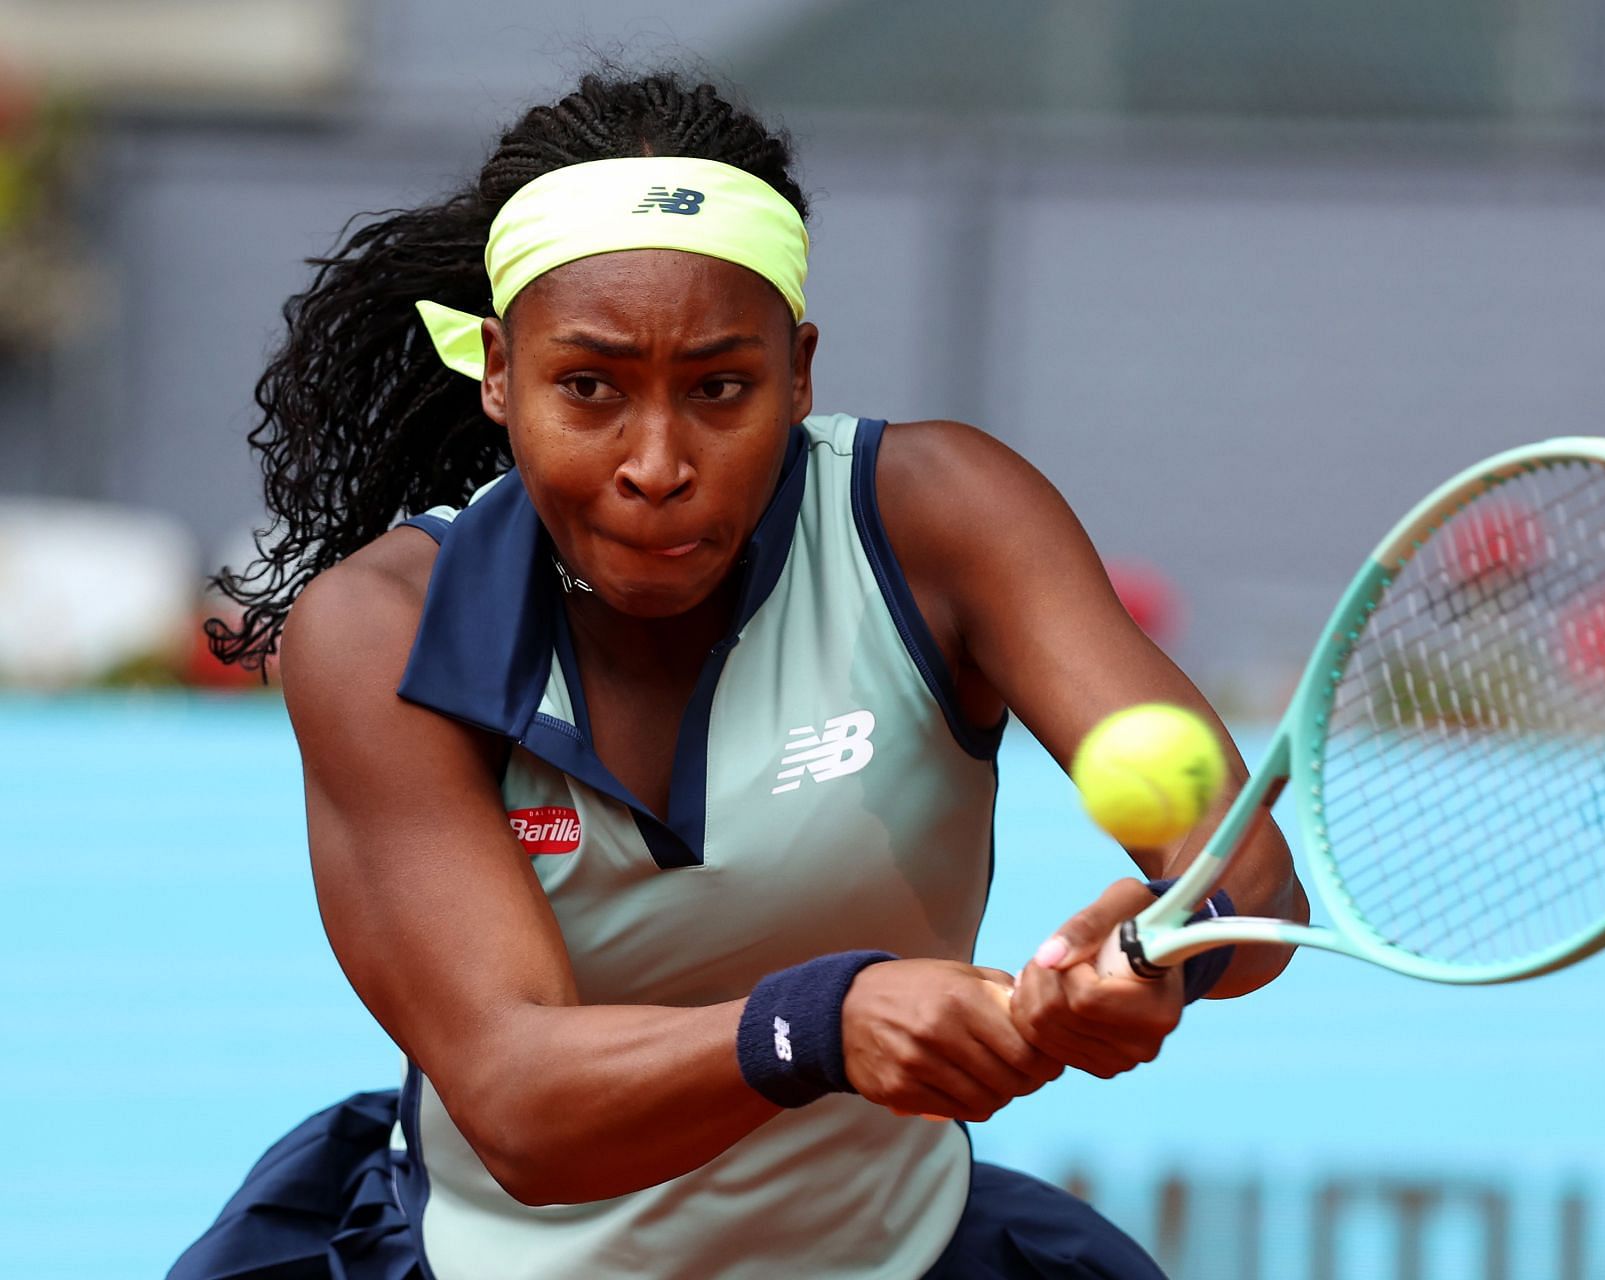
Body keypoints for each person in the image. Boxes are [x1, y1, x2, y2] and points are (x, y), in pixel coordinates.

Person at [174, 70, 1305, 1280]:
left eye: (721, 387)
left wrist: (1162, 960)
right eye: (589, 387)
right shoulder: (382, 628)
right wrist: (824, 1021)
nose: (657, 463)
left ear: (799, 370)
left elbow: (1245, 888)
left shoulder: (942, 521)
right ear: (499, 371)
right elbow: (519, 1101)